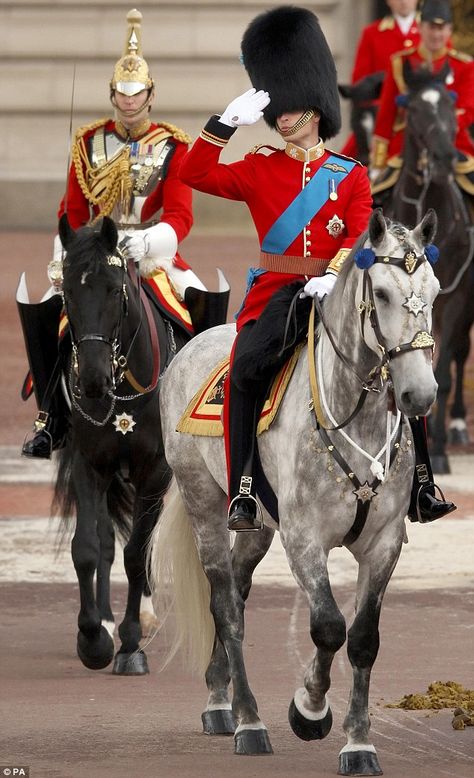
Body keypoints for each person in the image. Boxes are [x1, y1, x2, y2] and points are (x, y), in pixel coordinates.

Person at [179, 5, 454, 531]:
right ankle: (241, 488)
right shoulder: (259, 165)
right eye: (277, 109)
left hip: (340, 289)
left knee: (404, 356)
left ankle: (420, 482)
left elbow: (357, 230)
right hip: (278, 293)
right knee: (244, 370)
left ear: (317, 107)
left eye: (293, 107)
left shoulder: (349, 174)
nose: (283, 117)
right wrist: (222, 125)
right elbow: (195, 173)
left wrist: (335, 270)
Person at [20, 8, 224, 459]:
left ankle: (210, 404)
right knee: (51, 312)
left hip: (152, 254)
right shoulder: (87, 142)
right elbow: (72, 212)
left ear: (151, 95)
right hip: (95, 253)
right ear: (112, 94)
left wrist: (148, 241)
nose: (128, 103)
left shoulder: (174, 146)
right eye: (121, 95)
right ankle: (50, 417)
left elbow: (181, 215)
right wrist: (64, 258)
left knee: (202, 304)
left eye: (137, 95)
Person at [371, 0, 474, 191]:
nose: (436, 34)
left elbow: (468, 110)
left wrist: (436, 129)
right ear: (420, 27)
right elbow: (386, 116)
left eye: (441, 28)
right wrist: (378, 163)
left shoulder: (464, 65)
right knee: (374, 199)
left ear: (450, 30)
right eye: (431, 27)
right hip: (405, 146)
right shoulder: (400, 62)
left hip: (452, 144)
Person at [340, 0, 420, 159]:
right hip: (382, 117)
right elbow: (361, 82)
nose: (404, 2)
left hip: (422, 114)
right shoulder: (372, 33)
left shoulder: (432, 31)